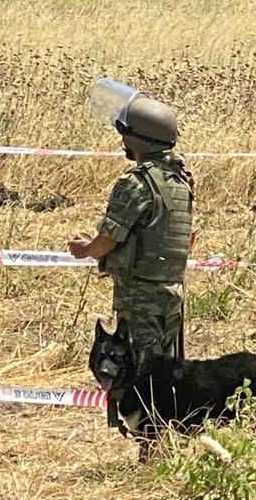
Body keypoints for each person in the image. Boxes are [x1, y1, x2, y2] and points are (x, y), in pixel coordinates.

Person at [69, 94, 194, 427]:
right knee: (166, 372)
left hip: (139, 295)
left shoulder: (137, 183)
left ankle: (150, 446)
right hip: (171, 293)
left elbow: (109, 238)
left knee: (139, 374)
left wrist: (86, 250)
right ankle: (165, 437)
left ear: (135, 139)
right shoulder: (180, 181)